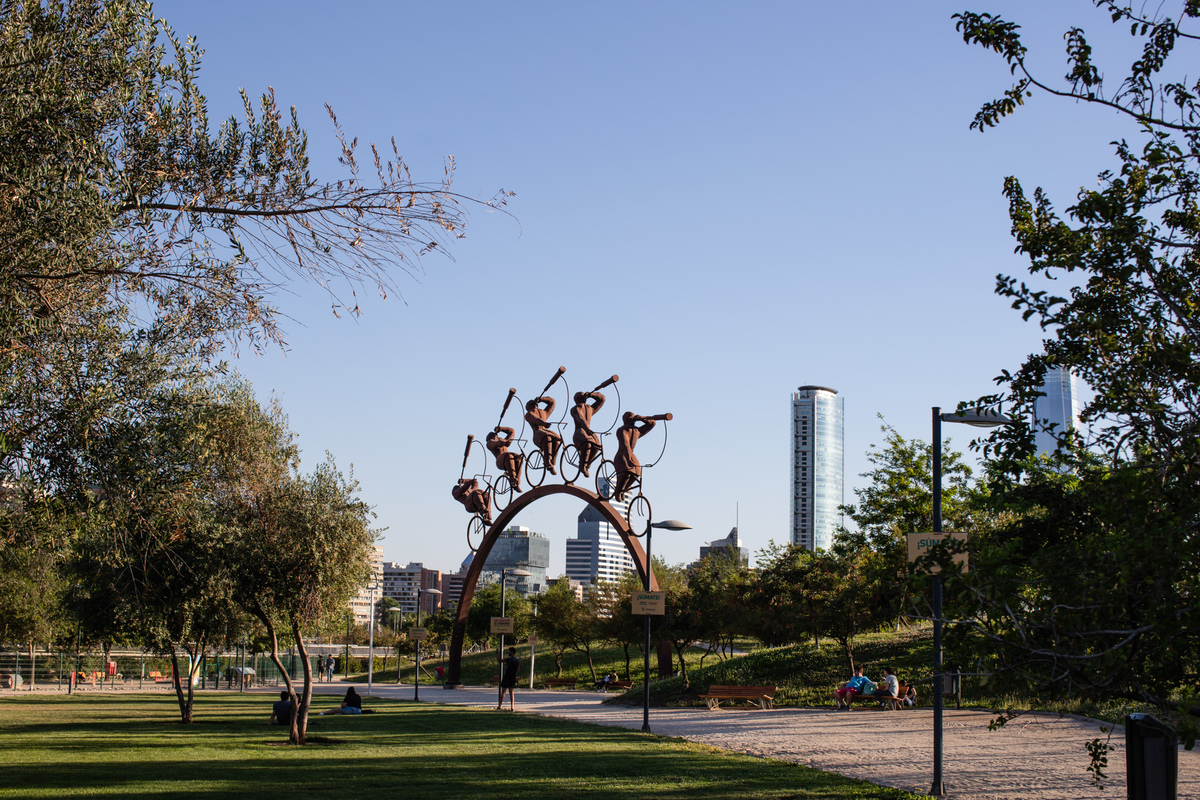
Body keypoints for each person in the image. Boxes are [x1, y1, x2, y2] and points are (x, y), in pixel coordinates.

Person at [613, 412, 670, 501]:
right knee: (627, 472)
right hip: (622, 455)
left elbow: (652, 423)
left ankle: (622, 489)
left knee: (636, 473)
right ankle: (618, 490)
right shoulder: (622, 430)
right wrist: (628, 458)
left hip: (631, 454)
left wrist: (642, 418)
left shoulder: (637, 431)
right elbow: (625, 445)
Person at [570, 390, 605, 477]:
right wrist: (586, 428)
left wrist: (592, 395)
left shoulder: (589, 408)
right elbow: (580, 418)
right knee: (587, 443)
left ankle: (587, 464)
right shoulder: (575, 409)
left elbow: (602, 399)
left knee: (597, 445)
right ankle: (582, 465)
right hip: (579, 432)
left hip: (588, 431)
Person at [524, 396, 562, 475]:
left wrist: (541, 399)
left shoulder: (543, 412)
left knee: (557, 439)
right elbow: (535, 419)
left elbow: (552, 402)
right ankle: (547, 461)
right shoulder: (528, 414)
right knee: (547, 437)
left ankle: (552, 462)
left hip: (546, 431)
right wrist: (543, 423)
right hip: (538, 434)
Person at [486, 426, 524, 492]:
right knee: (508, 455)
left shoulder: (502, 440)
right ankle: (512, 478)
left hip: (508, 459)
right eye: (492, 435)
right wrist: (503, 442)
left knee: (518, 457)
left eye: (495, 435)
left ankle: (516, 481)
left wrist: (501, 429)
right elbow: (495, 444)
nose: (495, 435)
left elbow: (512, 431)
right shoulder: (490, 443)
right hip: (500, 461)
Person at [497, 647, 519, 711]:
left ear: (511, 652)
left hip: (506, 677)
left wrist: (497, 653)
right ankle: (512, 707)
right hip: (512, 677)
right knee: (511, 692)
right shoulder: (517, 660)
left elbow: (500, 660)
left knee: (503, 692)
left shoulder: (509, 659)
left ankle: (499, 706)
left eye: (509, 651)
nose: (508, 652)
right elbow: (518, 669)